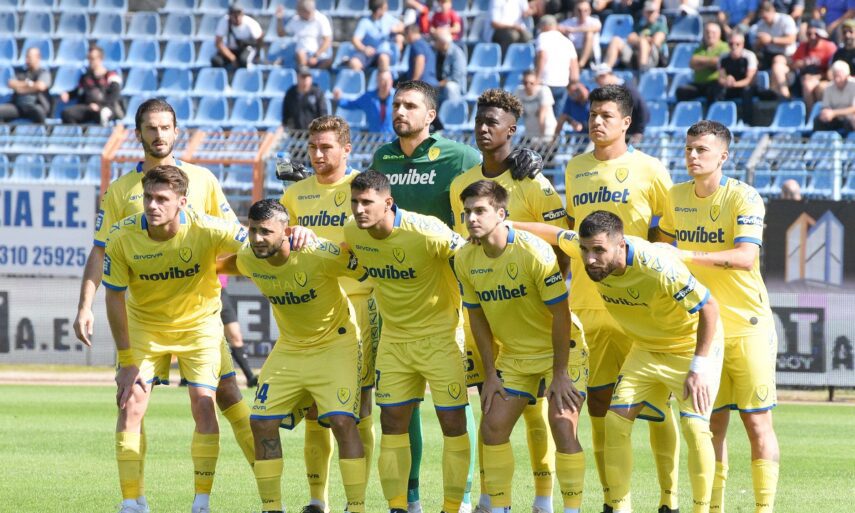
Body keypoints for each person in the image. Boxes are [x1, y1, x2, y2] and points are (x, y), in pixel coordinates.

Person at [73, 99, 257, 488]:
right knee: (131, 400)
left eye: (165, 127)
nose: (158, 135)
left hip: (199, 316)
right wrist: (85, 305)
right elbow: (101, 250)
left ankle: (268, 486)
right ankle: (133, 500)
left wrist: (216, 267)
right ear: (138, 133)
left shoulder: (203, 180)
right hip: (146, 319)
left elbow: (237, 239)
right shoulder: (121, 190)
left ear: (176, 131)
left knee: (226, 393)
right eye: (151, 128)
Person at [516, 211, 724, 513]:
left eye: (599, 250)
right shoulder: (588, 249)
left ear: (621, 245)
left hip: (690, 348)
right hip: (647, 348)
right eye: (585, 250)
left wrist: (699, 366)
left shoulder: (657, 265)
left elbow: (709, 307)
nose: (590, 259)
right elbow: (552, 234)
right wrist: (504, 225)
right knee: (615, 422)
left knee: (694, 427)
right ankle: (620, 508)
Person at [449, 89, 571, 513]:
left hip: (533, 315)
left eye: (492, 123)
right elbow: (467, 246)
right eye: (479, 121)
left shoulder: (533, 181)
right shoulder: (461, 186)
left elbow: (562, 248)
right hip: (487, 312)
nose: (483, 129)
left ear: (512, 130)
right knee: (490, 407)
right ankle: (490, 498)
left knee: (539, 414)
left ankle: (544, 499)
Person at [559, 84, 679, 513]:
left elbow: (668, 237)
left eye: (606, 115)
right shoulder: (575, 168)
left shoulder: (651, 170)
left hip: (641, 309)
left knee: (658, 405)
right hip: (587, 307)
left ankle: (669, 499)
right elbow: (571, 235)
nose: (596, 121)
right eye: (593, 114)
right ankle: (613, 501)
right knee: (598, 405)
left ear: (626, 122)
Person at [104, 165, 249, 513]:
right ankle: (132, 502)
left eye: (162, 199)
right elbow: (113, 297)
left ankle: (201, 502)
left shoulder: (206, 226)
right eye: (148, 198)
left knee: (204, 403)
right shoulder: (122, 236)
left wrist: (292, 235)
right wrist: (127, 362)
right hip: (145, 326)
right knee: (130, 403)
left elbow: (257, 242)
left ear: (182, 202)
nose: (152, 206)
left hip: (198, 326)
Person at [658, 120, 780, 513]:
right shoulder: (675, 196)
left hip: (748, 325)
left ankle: (763, 509)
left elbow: (745, 257)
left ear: (723, 156)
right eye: (689, 149)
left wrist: (686, 255)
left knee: (757, 424)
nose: (693, 156)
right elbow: (662, 251)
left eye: (702, 150)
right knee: (711, 426)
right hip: (705, 330)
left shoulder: (744, 197)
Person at [218, 199, 367, 513]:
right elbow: (219, 266)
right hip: (291, 347)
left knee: (342, 421)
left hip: (336, 344)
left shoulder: (317, 253)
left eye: (266, 232)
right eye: (253, 230)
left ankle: (356, 508)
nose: (257, 238)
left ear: (285, 231)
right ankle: (272, 508)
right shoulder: (249, 256)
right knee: (261, 422)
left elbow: (367, 262)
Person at [454, 180, 587, 513]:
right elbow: (477, 319)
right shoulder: (465, 258)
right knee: (493, 426)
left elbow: (561, 315)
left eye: (480, 210)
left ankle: (570, 509)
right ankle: (500, 507)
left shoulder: (533, 251)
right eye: (467, 212)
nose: (471, 218)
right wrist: (490, 374)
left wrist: (560, 373)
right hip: (514, 356)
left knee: (562, 424)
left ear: (501, 214)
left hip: (561, 349)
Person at [344, 170, 471, 513]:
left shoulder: (426, 231)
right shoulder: (353, 231)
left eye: (367, 202)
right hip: (395, 340)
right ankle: (398, 506)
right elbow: (342, 253)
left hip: (441, 338)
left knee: (453, 423)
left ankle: (452, 507)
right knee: (392, 423)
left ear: (388, 202)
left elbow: (470, 256)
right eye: (354, 202)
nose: (359, 209)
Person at [280, 116, 379, 513]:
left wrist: (321, 244)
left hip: (357, 306)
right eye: (313, 147)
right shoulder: (295, 195)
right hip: (310, 310)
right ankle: (317, 500)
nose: (318, 155)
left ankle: (357, 502)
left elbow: (376, 243)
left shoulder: (363, 190)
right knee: (312, 408)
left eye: (326, 147)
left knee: (360, 407)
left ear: (346, 150)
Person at [59, 45, 123, 125]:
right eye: (88, 58)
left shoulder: (111, 76)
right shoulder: (86, 77)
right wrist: (68, 94)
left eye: (92, 58)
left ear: (100, 59)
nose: (90, 61)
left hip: (107, 107)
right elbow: (79, 91)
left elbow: (114, 97)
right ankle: (78, 132)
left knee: (103, 114)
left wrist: (99, 106)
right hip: (89, 107)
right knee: (67, 113)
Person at [535, 15, 580, 118]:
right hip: (562, 84)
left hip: (545, 82)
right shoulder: (567, 41)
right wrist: (573, 83)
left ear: (545, 26)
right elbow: (574, 66)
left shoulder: (543, 36)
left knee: (544, 117)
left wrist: (537, 79)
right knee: (558, 118)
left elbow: (542, 56)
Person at [751, 1, 798, 97]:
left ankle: (785, 95)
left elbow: (791, 39)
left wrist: (771, 40)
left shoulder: (785, 20)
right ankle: (763, 94)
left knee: (777, 62)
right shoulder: (760, 24)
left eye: (767, 12)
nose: (765, 17)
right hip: (769, 55)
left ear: (772, 10)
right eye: (762, 14)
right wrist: (759, 43)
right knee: (754, 63)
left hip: (788, 55)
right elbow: (757, 47)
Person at [603, 1, 669, 71]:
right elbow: (630, 38)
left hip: (651, 57)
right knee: (615, 40)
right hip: (634, 54)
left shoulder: (660, 26)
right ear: (644, 12)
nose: (650, 14)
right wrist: (642, 40)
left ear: (657, 13)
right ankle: (605, 69)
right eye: (648, 12)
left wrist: (641, 40)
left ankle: (642, 69)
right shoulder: (640, 26)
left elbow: (656, 41)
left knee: (643, 42)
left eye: (652, 12)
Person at [592, 65, 649, 143]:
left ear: (604, 76)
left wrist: (639, 131)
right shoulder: (610, 93)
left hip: (630, 137)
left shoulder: (628, 90)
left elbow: (642, 109)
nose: (598, 84)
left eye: (598, 80)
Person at [676, 22, 731, 103]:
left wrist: (701, 63)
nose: (710, 35)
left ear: (719, 34)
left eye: (713, 33)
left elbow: (718, 62)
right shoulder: (700, 48)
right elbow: (692, 63)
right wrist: (710, 63)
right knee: (681, 91)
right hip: (699, 84)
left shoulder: (725, 47)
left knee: (716, 90)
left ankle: (712, 110)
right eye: (707, 32)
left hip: (714, 83)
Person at [792, 19, 838, 114]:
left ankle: (821, 115)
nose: (812, 37)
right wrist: (800, 64)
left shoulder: (829, 47)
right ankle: (811, 116)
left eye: (816, 34)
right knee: (807, 84)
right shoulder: (803, 47)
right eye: (809, 34)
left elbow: (832, 72)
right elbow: (793, 65)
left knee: (819, 88)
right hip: (806, 79)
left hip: (825, 78)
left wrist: (818, 77)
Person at [334, 69, 395, 134]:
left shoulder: (397, 98)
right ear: (377, 81)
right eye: (382, 80)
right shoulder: (368, 98)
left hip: (393, 138)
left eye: (388, 80)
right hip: (374, 138)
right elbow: (351, 104)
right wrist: (339, 99)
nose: (385, 84)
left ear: (391, 82)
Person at [275, 0, 333, 69]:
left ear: (306, 11)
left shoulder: (321, 19)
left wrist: (316, 56)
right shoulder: (295, 20)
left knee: (328, 62)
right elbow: (281, 34)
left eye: (298, 10)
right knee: (300, 54)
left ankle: (313, 73)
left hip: (319, 55)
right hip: (301, 55)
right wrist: (279, 19)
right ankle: (303, 71)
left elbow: (327, 41)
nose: (296, 11)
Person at [0, 46, 51, 123]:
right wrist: (29, 84)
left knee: (39, 112)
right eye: (26, 57)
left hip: (35, 105)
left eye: (29, 57)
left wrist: (21, 89)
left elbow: (40, 86)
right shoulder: (21, 72)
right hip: (18, 106)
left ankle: (44, 130)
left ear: (38, 57)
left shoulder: (43, 73)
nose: (27, 60)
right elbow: (11, 83)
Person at [717, 32, 760, 124]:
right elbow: (721, 78)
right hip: (731, 86)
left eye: (737, 44)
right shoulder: (723, 57)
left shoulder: (749, 56)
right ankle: (719, 121)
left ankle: (747, 122)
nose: (734, 47)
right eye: (731, 44)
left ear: (743, 44)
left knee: (747, 91)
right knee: (717, 89)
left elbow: (750, 80)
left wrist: (734, 84)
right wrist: (726, 81)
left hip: (745, 86)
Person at [349, 0, 403, 72]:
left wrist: (396, 29)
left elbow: (402, 25)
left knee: (384, 58)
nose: (386, 9)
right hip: (368, 53)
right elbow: (355, 40)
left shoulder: (387, 18)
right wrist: (364, 49)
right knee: (354, 63)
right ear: (379, 10)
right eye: (385, 8)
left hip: (383, 52)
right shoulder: (365, 22)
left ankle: (384, 78)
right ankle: (360, 79)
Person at [219, 285, 257, 387]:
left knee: (235, 337)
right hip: (199, 293)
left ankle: (250, 377)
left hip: (220, 293)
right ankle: (186, 378)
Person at [211, 4, 264, 69]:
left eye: (239, 14)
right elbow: (218, 43)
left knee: (243, 61)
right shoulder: (224, 21)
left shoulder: (250, 23)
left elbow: (259, 38)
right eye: (234, 15)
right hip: (231, 50)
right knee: (216, 61)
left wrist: (257, 54)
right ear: (230, 16)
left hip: (246, 49)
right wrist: (232, 57)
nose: (237, 18)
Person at [515, 70, 558, 143]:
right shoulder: (519, 91)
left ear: (537, 82)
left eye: (531, 83)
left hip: (547, 132)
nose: (528, 86)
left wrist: (541, 138)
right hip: (530, 133)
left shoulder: (544, 91)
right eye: (525, 83)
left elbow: (542, 116)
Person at [558, 0, 602, 69]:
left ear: (590, 11)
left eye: (585, 10)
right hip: (573, 51)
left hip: (590, 54)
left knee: (589, 34)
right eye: (579, 10)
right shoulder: (570, 22)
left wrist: (574, 30)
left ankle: (581, 64)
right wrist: (563, 30)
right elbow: (557, 27)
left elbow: (597, 28)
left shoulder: (594, 21)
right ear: (575, 11)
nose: (582, 13)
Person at [815, 60, 855, 132]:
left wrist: (834, 113)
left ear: (847, 75)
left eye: (839, 76)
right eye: (835, 76)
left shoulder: (853, 85)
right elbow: (825, 106)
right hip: (835, 119)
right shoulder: (829, 87)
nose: (837, 79)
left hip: (850, 117)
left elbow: (853, 109)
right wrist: (826, 113)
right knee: (818, 120)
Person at [434, 27, 468, 105]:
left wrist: (441, 83)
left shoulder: (457, 53)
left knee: (450, 87)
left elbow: (456, 76)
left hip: (455, 86)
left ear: (443, 43)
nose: (434, 42)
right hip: (438, 84)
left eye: (436, 40)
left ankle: (452, 111)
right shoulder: (435, 52)